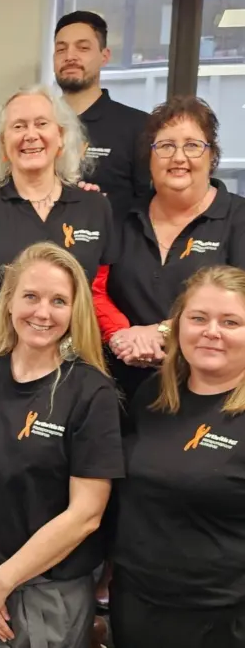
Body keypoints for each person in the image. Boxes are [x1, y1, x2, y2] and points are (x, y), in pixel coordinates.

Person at [0, 241, 124, 648]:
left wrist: (1, 583)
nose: (42, 312)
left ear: (74, 311)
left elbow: (86, 514)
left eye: (58, 301)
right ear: (9, 301)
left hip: (49, 594)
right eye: (31, 297)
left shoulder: (92, 392)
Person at [0, 84, 115, 384]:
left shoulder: (95, 207)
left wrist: (124, 335)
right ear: (3, 143)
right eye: (18, 126)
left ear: (61, 137)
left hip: (69, 379)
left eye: (41, 124)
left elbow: (97, 295)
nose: (31, 135)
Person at [109, 266, 245, 648]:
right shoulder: (152, 395)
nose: (211, 332)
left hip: (222, 620)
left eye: (231, 322)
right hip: (135, 606)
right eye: (198, 318)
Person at [100, 96, 245, 407]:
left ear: (212, 155)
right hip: (121, 393)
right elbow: (95, 290)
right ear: (150, 158)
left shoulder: (238, 219)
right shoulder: (120, 217)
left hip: (212, 398)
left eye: (192, 145)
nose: (178, 157)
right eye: (165, 146)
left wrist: (163, 331)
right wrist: (121, 335)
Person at [54, 10, 152, 222]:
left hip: (112, 242)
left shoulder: (139, 127)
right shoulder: (37, 127)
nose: (70, 56)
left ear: (104, 56)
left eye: (83, 48)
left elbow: (150, 206)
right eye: (61, 49)